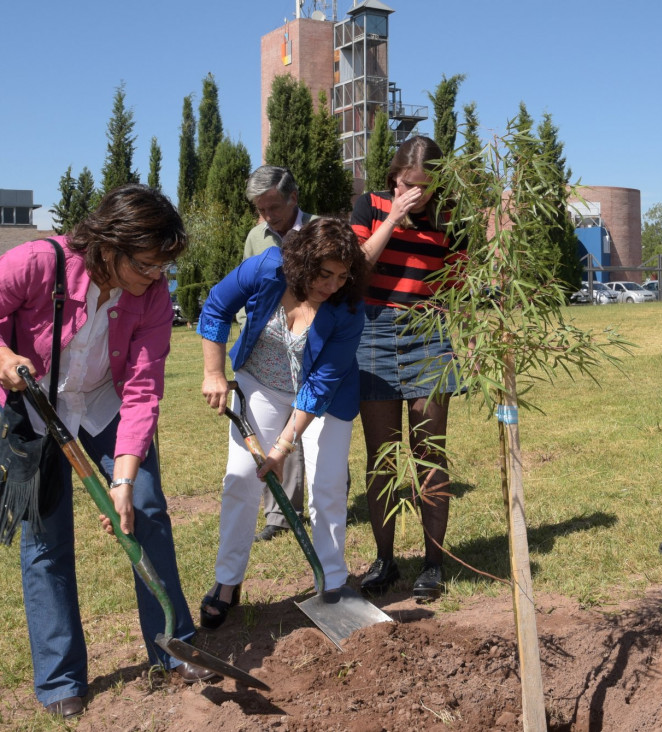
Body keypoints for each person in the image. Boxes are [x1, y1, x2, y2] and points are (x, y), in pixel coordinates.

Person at [0, 184, 213, 720]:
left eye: (163, 266)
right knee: (45, 538)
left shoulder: (154, 294)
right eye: (147, 264)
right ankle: (60, 679)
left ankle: (173, 643)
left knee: (146, 510)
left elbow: (142, 387)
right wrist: (0, 355)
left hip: (105, 407)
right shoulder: (36, 262)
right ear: (109, 247)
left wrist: (123, 477)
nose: (156, 276)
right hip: (36, 407)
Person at [197, 217, 366, 629]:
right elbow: (217, 307)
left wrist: (282, 448)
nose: (332, 285)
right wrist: (214, 373)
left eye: (342, 276)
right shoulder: (266, 269)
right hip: (262, 381)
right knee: (240, 477)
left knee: (327, 485)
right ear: (303, 262)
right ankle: (227, 581)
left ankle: (332, 581)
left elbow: (321, 385)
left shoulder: (347, 308)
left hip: (324, 398)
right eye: (324, 274)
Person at [350, 135, 465, 602]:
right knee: (382, 458)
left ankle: (433, 563)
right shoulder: (369, 206)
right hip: (373, 331)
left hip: (428, 332)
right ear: (394, 175)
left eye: (425, 186)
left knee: (429, 455)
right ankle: (385, 559)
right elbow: (355, 269)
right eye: (405, 183)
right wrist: (394, 218)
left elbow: (457, 284)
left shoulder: (453, 218)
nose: (415, 193)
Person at [241, 165, 314, 542]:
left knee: (308, 427)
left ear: (294, 198)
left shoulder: (320, 231)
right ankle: (279, 514)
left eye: (274, 207)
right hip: (268, 350)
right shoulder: (256, 237)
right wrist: (246, 321)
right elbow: (244, 285)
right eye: (261, 209)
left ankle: (320, 501)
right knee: (271, 431)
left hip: (313, 346)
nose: (268, 216)